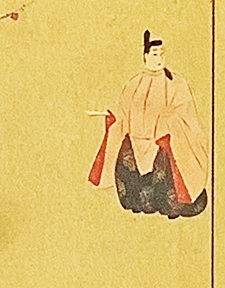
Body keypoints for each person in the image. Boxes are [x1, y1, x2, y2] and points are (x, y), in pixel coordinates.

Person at [88, 30, 210, 218]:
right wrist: (113, 114)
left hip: (162, 144)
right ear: (145, 56)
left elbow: (185, 114)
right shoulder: (134, 84)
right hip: (136, 143)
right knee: (130, 186)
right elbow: (124, 110)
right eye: (154, 54)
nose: (159, 58)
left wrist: (168, 121)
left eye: (162, 54)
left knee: (166, 191)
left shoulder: (176, 84)